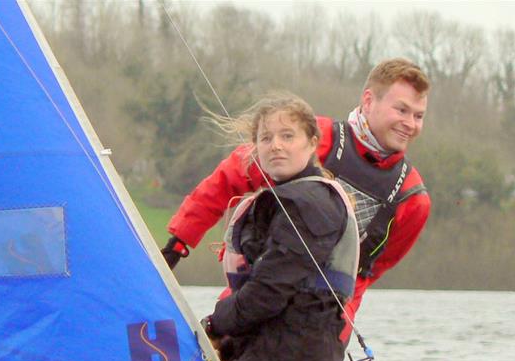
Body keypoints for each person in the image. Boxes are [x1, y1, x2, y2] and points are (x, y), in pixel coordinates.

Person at [162, 58, 431, 343]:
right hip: (257, 288)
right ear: (368, 101)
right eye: (401, 110)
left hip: (320, 322)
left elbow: (365, 273)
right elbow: (226, 181)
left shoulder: (413, 200)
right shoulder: (308, 137)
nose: (409, 124)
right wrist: (178, 243)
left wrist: (337, 328)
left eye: (418, 116)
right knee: (223, 345)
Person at [199, 93, 358, 361]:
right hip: (273, 348)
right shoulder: (285, 200)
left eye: (288, 136)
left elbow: (269, 292)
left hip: (294, 359)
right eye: (266, 138)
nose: (276, 146)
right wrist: (227, 342)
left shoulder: (311, 204)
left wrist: (213, 325)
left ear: (312, 143)